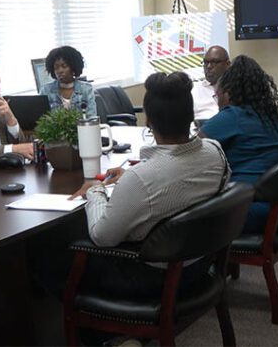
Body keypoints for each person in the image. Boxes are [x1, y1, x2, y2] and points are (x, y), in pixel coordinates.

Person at [68, 71, 229, 297]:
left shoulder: (141, 179)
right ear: (191, 116)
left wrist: (95, 190)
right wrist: (133, 175)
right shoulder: (215, 152)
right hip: (201, 265)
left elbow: (102, 237)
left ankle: (90, 329)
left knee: (54, 252)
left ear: (149, 121)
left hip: (155, 278)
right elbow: (179, 179)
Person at [200, 55, 278, 234]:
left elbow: (189, 151)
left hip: (255, 213)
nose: (217, 99)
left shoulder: (232, 116)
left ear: (228, 92)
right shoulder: (269, 115)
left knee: (185, 214)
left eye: (217, 94)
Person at [39, 45, 97, 117]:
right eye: (56, 68)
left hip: (82, 128)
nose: (60, 71)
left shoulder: (86, 89)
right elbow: (42, 120)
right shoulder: (46, 91)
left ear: (73, 66)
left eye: (64, 66)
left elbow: (92, 117)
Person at [190, 45, 231, 122]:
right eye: (206, 62)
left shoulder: (237, 87)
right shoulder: (193, 89)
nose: (208, 67)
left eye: (214, 62)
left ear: (227, 64)